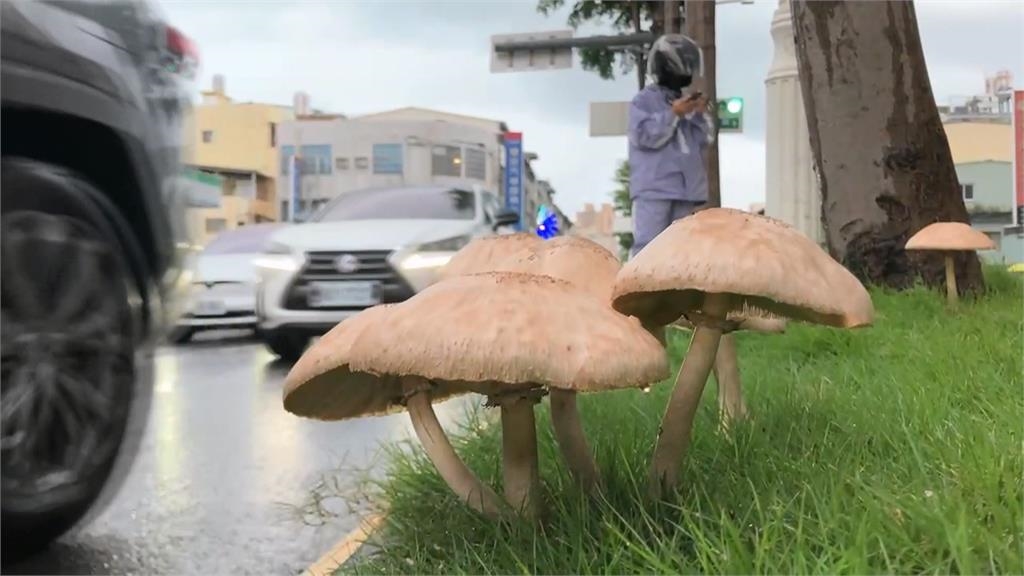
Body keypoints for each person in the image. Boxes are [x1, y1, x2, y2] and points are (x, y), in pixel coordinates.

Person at [628, 34, 714, 256]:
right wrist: (673, 113)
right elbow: (645, 136)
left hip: (685, 192)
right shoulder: (644, 100)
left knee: (682, 252)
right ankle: (641, 290)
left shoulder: (683, 101)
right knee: (648, 249)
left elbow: (704, 140)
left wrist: (699, 114)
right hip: (654, 190)